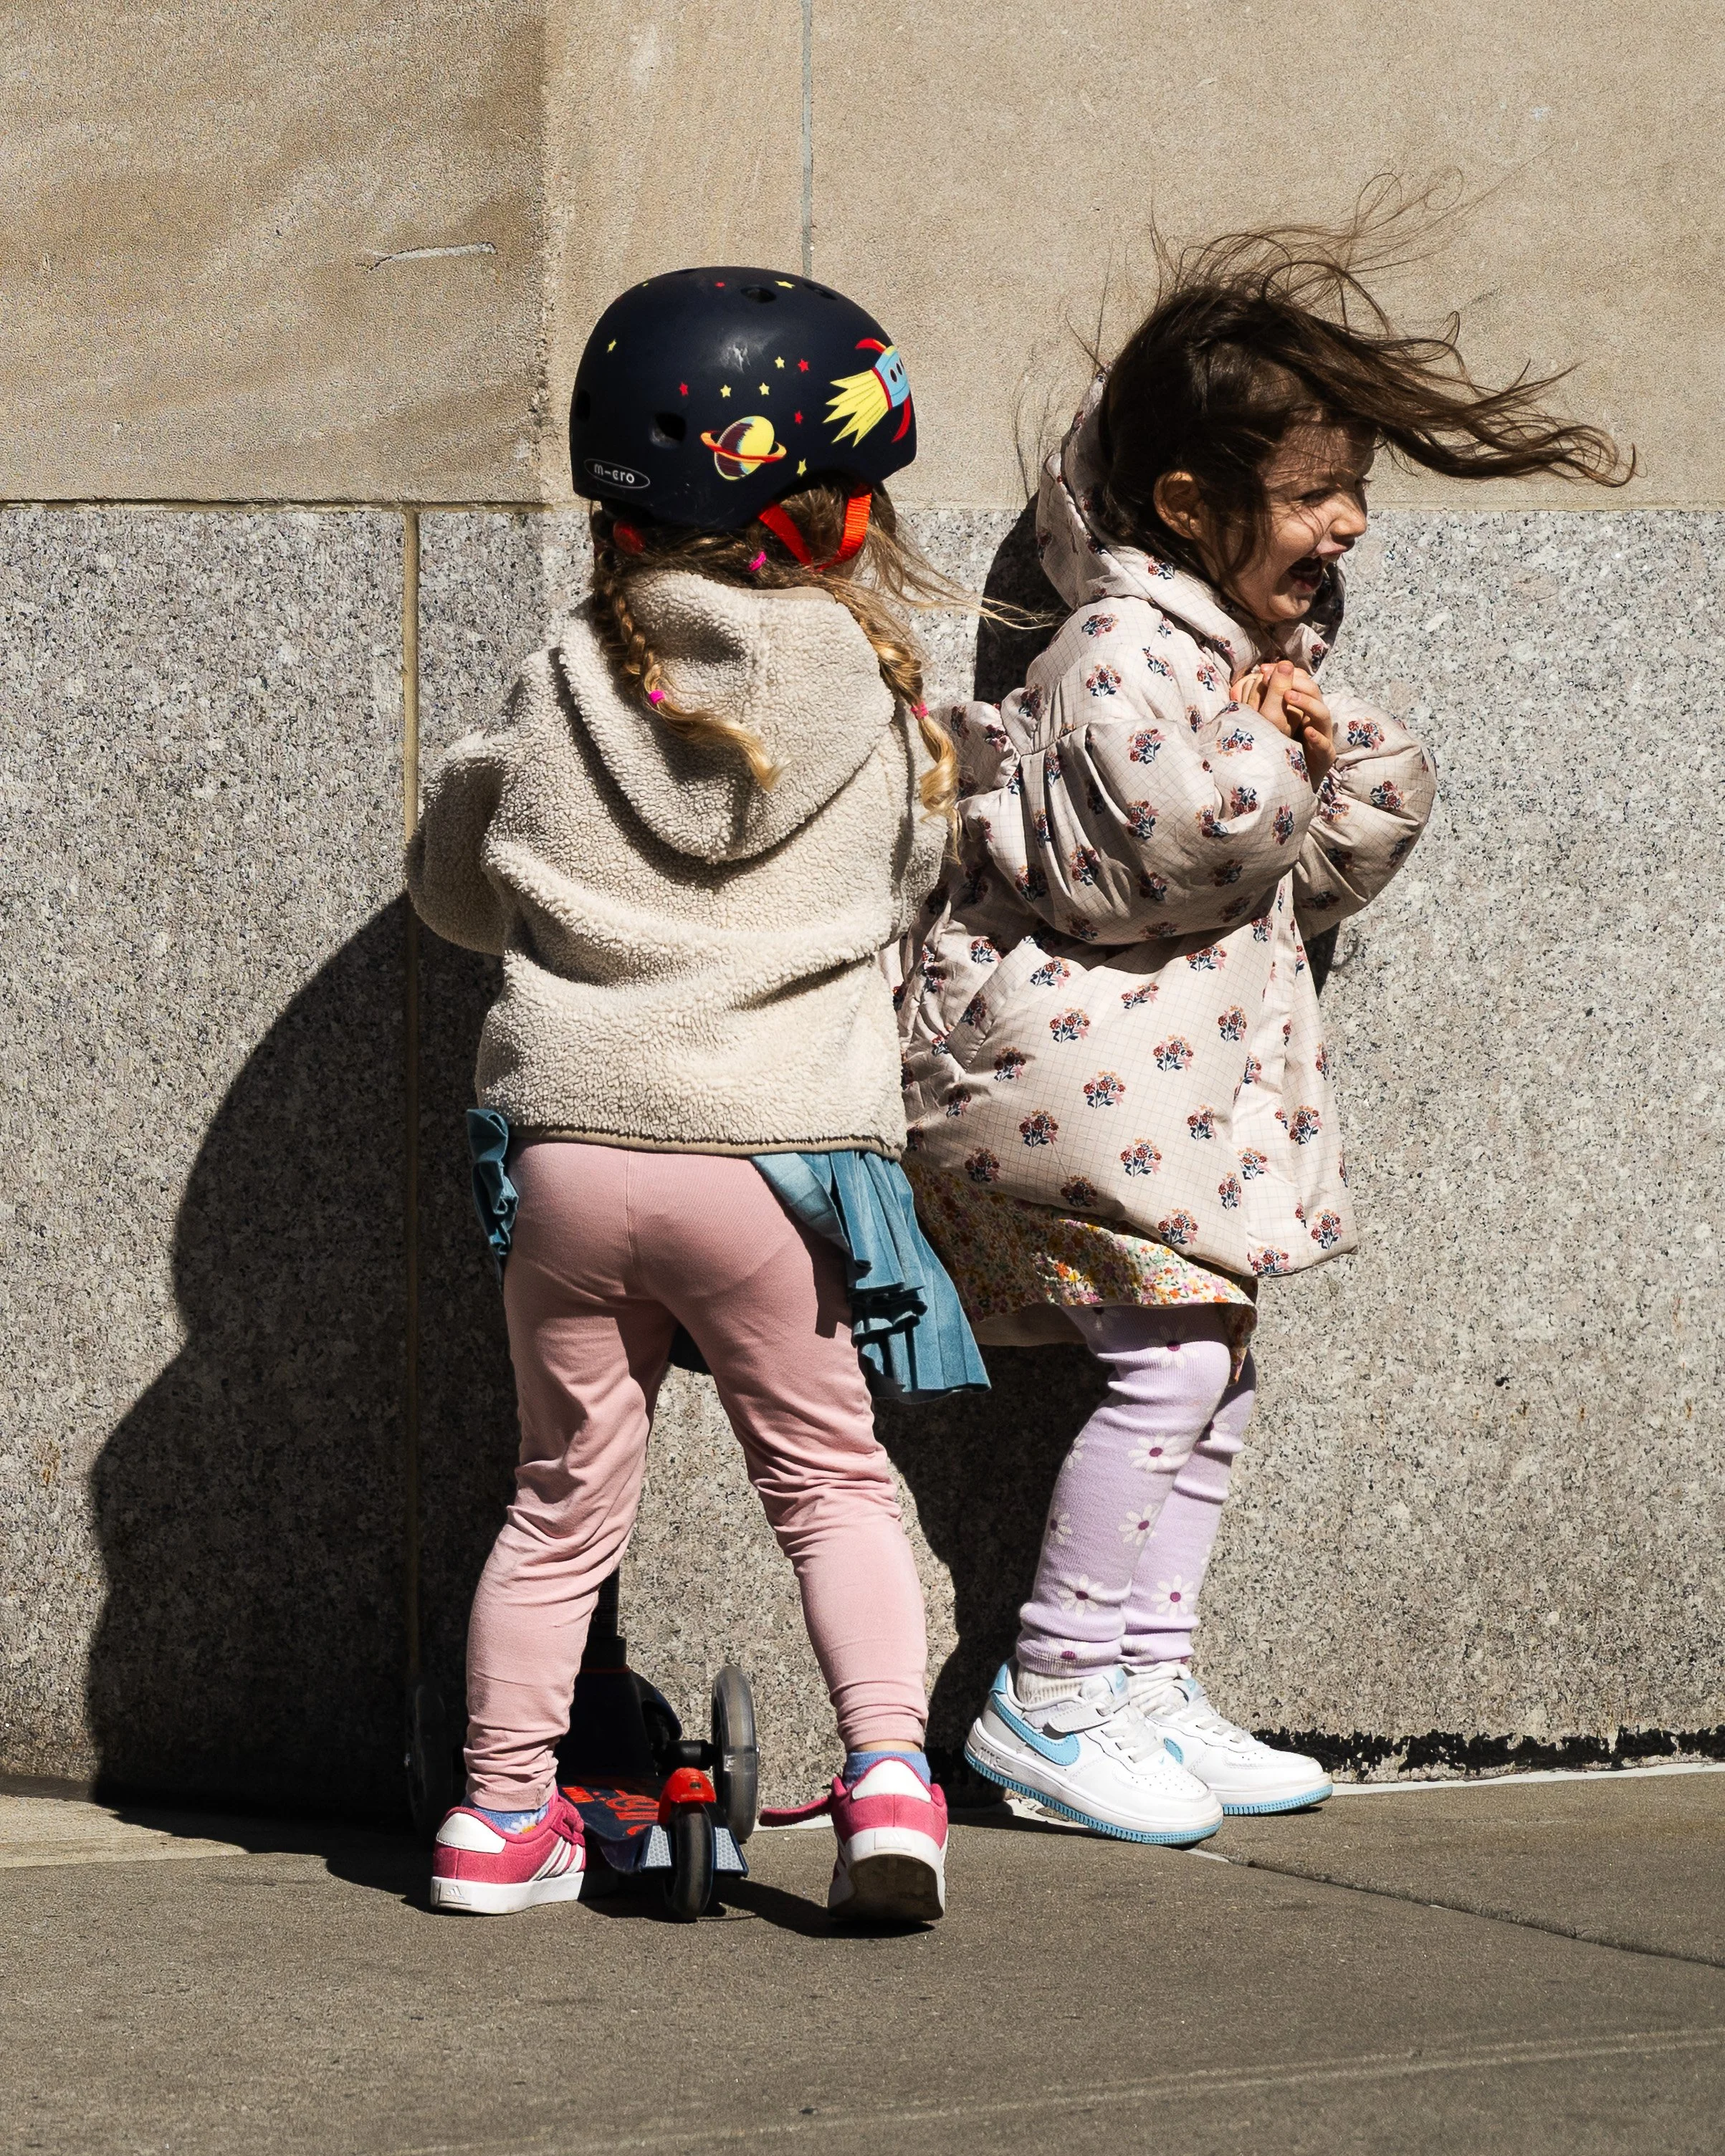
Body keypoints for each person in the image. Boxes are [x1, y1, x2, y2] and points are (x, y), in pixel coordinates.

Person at [898, 216, 1628, 1842]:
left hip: (1167, 1108)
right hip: (1057, 1102)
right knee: (1165, 1371)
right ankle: (1056, 1691)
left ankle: (1149, 1676)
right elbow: (1141, 862)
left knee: (1208, 1372)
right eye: (1314, 493)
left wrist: (1326, 737)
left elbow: (1319, 868)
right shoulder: (1112, 647)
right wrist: (1261, 744)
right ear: (1186, 504)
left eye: (1350, 488)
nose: (1346, 526)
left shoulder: (1241, 658)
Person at [408, 267, 985, 1922]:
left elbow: (461, 887)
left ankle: (499, 1821)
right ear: (824, 510)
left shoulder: (563, 678)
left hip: (575, 1157)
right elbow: (913, 878)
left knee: (559, 1502)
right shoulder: (873, 703)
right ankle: (888, 1780)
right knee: (830, 1483)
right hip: (775, 1172)